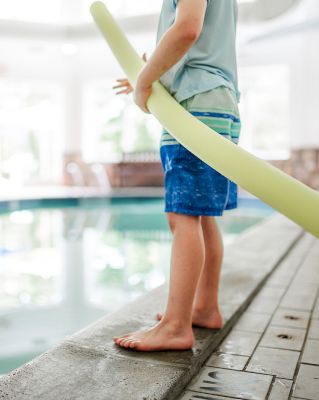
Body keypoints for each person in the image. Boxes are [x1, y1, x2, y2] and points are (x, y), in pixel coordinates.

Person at [112, 0, 240, 351]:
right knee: (201, 215)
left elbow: (186, 30)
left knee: (182, 215)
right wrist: (148, 70)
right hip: (216, 101)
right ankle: (203, 306)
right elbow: (195, 42)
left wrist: (145, 81)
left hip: (194, 103)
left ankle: (175, 325)